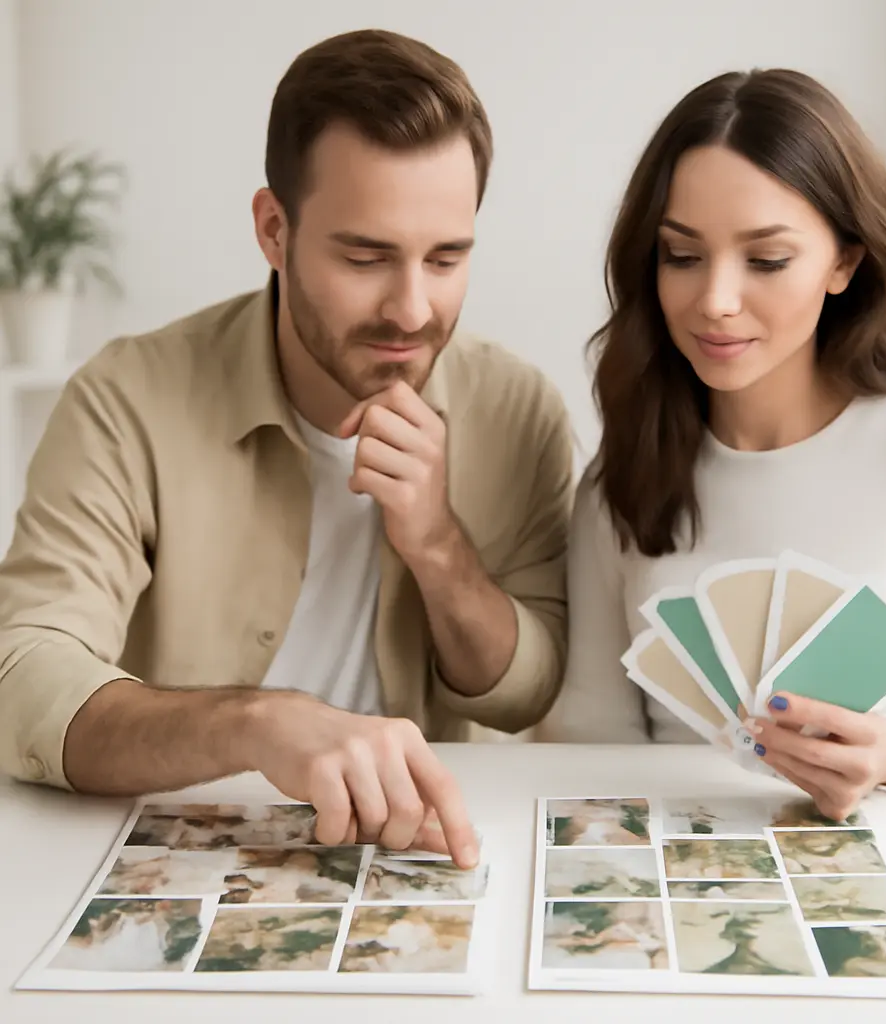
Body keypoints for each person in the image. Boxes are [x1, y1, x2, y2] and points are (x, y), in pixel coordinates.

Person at [0, 29, 574, 867]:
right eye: (366, 256)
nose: (412, 308)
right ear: (274, 230)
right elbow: (22, 678)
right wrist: (257, 722)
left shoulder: (517, 407)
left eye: (446, 258)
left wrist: (439, 546)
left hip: (421, 862)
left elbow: (530, 692)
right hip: (174, 865)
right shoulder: (127, 398)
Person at [539, 68, 886, 820]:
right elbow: (589, 726)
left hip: (870, 878)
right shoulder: (621, 477)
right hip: (677, 873)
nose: (716, 302)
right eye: (681, 255)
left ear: (845, 261)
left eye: (766, 259)